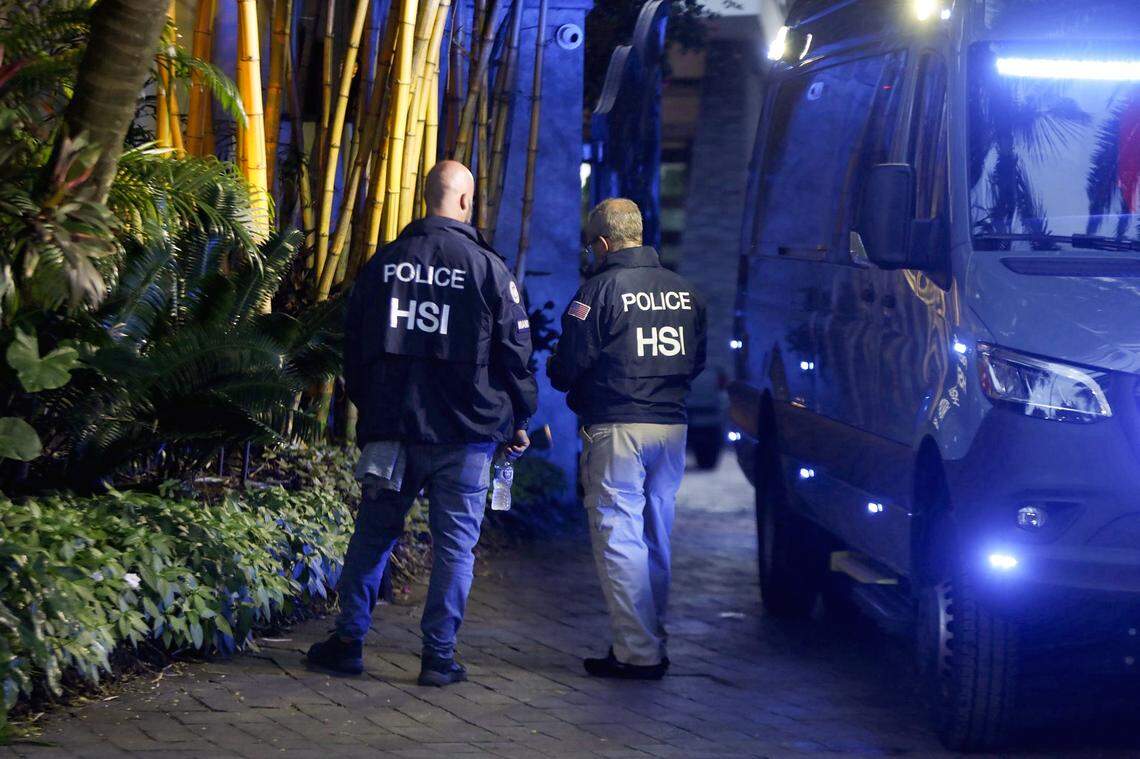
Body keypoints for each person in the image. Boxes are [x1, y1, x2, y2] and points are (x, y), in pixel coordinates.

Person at [307, 161, 537, 687]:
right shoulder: (489, 269)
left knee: (373, 535)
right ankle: (438, 657)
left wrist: (372, 405)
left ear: (424, 196)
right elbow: (516, 354)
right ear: (466, 201)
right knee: (455, 547)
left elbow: (354, 345)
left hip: (393, 427)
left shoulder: (386, 262)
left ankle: (348, 641)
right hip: (467, 434)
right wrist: (520, 416)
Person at [548, 198, 707, 680]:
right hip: (671, 427)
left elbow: (567, 366)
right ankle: (651, 638)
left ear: (602, 244)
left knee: (619, 535)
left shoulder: (597, 292)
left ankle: (638, 652)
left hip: (617, 426)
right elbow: (697, 360)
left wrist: (566, 377)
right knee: (655, 537)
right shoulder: (686, 292)